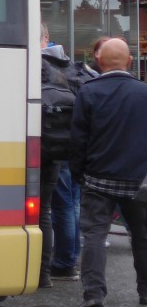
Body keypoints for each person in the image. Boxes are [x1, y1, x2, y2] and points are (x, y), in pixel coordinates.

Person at [69, 36, 147, 307]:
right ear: (129, 61)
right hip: (138, 179)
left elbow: (78, 140)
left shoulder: (88, 92)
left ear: (99, 61)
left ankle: (93, 293)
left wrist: (79, 174)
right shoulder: (144, 92)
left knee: (94, 234)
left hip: (98, 178)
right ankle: (145, 291)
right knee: (142, 235)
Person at [48, 36, 105, 281]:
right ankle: (71, 256)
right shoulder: (74, 70)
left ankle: (65, 261)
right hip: (74, 148)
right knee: (72, 203)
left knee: (63, 205)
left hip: (55, 146)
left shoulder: (47, 69)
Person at [39, 24, 89, 287]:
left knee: (51, 206)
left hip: (44, 143)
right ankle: (67, 261)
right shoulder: (69, 65)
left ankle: (61, 263)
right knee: (67, 203)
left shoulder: (38, 66)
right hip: (67, 143)